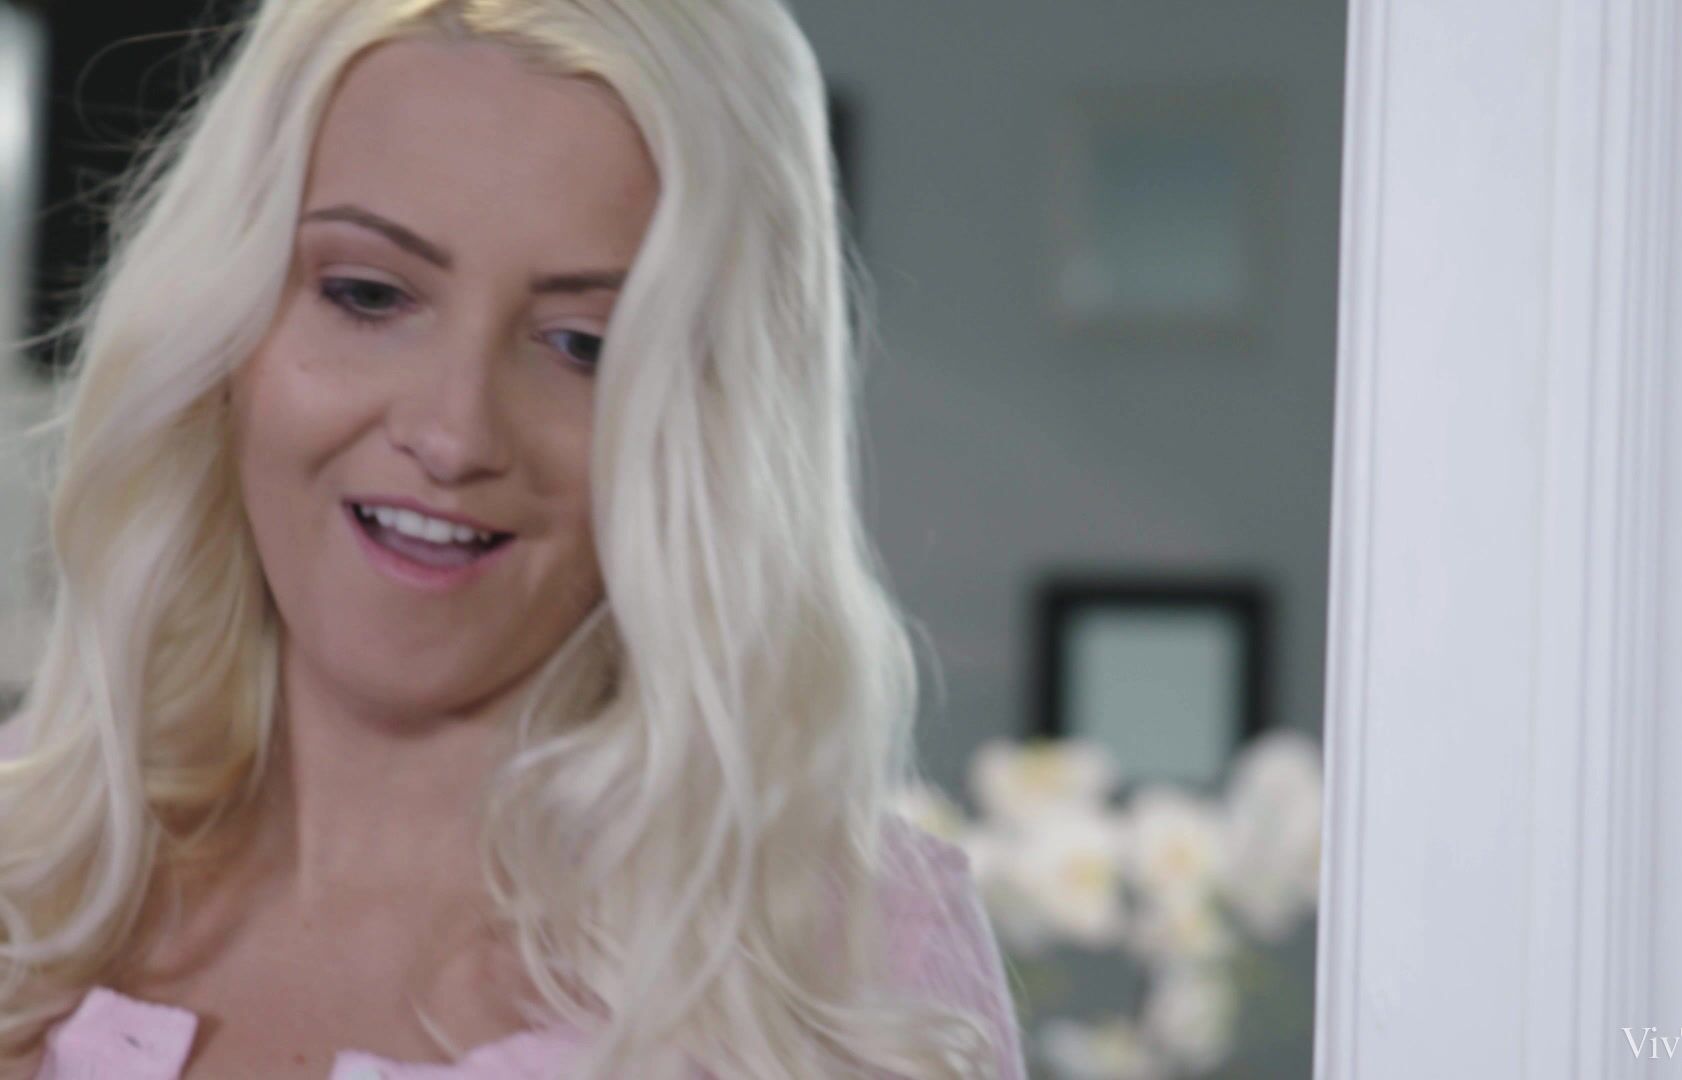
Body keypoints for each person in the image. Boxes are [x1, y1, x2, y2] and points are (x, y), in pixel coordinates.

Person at [0, 2, 1025, 1077]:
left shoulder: (846, 970)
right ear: (225, 320)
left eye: (584, 346)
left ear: (717, 425)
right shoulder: (28, 850)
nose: (453, 435)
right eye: (368, 295)